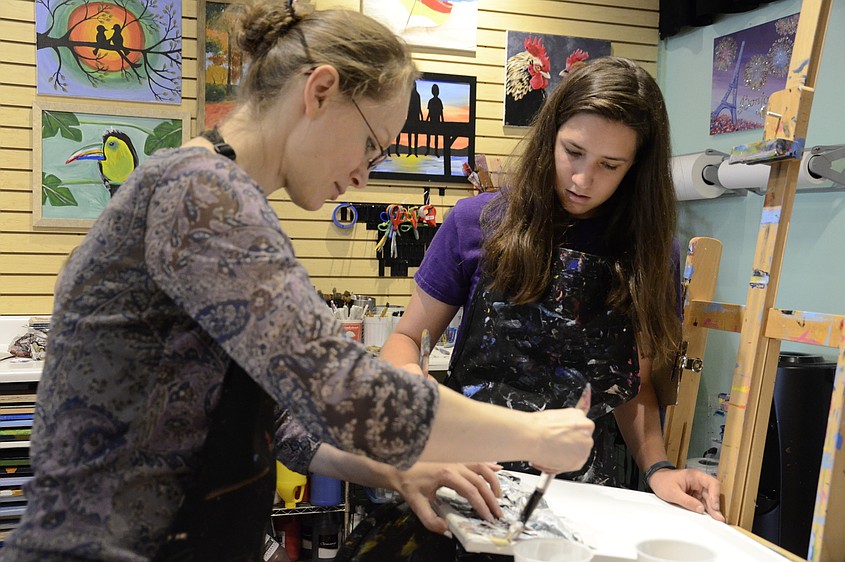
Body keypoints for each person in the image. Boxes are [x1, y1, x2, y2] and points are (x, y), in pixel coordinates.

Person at [0, 4, 597, 561]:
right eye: (369, 144)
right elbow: (347, 391)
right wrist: (536, 433)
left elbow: (284, 420)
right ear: (320, 91)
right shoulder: (200, 195)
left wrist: (396, 470)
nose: (364, 175)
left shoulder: (222, 195)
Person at [381, 56, 725, 524]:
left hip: (584, 496)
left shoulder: (650, 252)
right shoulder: (474, 222)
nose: (583, 180)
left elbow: (634, 385)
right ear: (550, 137)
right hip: (470, 473)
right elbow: (404, 340)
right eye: (573, 152)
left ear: (636, 168)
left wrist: (659, 468)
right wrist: (414, 390)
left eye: (610, 164)